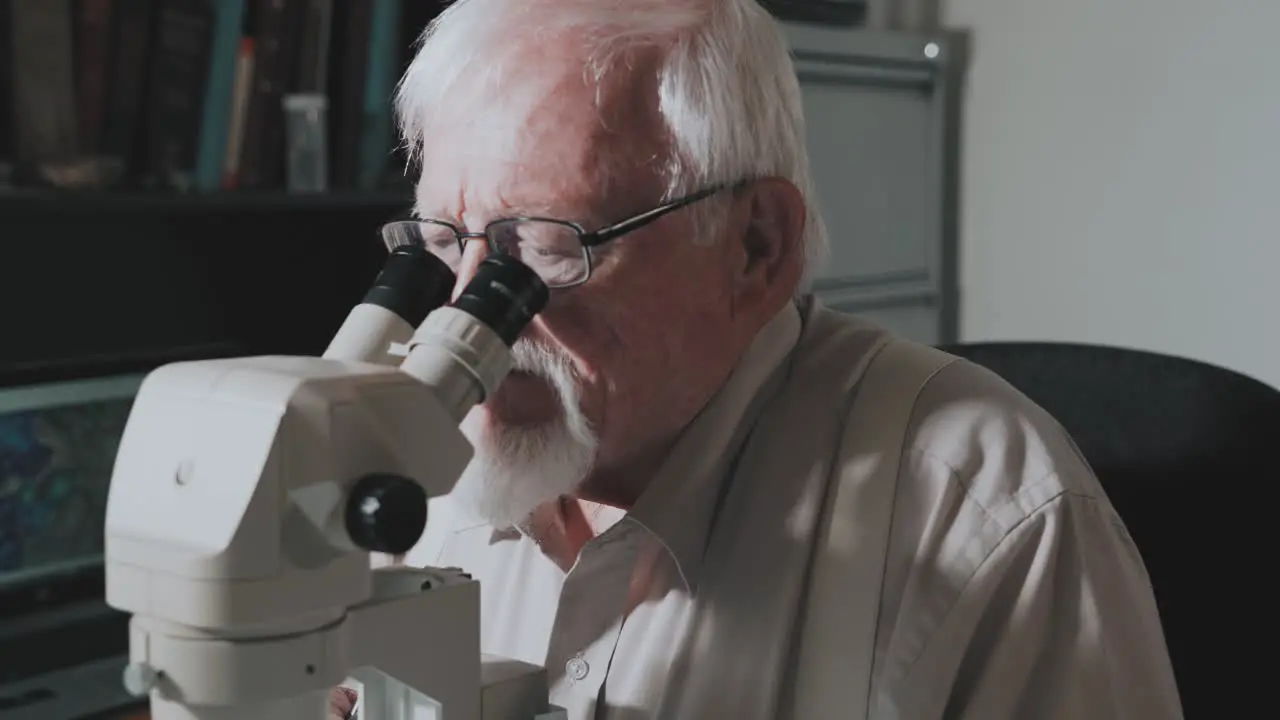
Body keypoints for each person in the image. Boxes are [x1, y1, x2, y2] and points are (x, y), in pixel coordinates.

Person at [333, 0, 1183, 718]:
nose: (465, 314)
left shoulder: (989, 513)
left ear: (755, 247)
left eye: (546, 248)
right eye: (445, 242)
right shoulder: (403, 469)